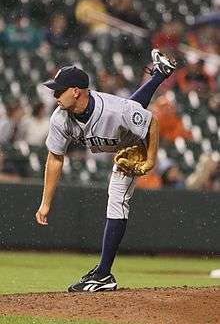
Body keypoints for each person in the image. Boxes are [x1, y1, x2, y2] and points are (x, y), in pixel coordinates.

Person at [35, 49, 176, 292]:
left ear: (76, 91)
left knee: (117, 199)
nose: (55, 95)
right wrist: (45, 203)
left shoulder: (112, 109)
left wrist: (150, 161)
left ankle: (103, 274)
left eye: (59, 90)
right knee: (131, 111)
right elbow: (55, 157)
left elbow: (151, 122)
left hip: (133, 144)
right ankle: (159, 75)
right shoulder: (60, 118)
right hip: (120, 130)